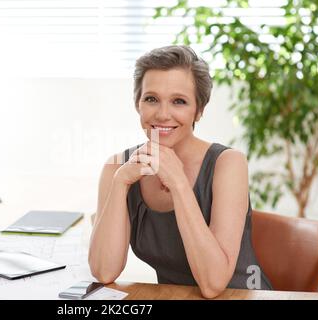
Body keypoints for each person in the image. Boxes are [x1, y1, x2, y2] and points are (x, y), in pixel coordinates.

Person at [88, 45, 273, 299]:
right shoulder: (117, 167)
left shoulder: (228, 164)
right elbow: (103, 271)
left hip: (242, 295)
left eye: (179, 101)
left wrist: (179, 183)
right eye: (151, 99)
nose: (163, 114)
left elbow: (212, 284)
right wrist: (120, 182)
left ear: (199, 110)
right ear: (137, 104)